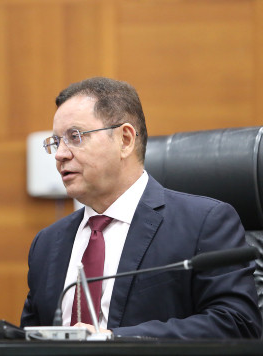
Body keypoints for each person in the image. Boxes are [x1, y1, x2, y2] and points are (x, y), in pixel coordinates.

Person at [20, 77, 262, 338]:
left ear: (125, 139)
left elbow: (238, 323)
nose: (60, 154)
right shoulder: (47, 243)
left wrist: (114, 339)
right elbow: (27, 339)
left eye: (75, 137)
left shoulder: (204, 223)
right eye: (56, 142)